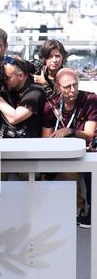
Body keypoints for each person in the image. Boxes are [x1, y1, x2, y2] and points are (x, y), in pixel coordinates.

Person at [42, 67, 97, 228]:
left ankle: (85, 211)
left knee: (84, 170)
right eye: (67, 87)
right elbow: (46, 138)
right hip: (60, 151)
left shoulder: (90, 99)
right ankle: (70, 208)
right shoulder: (50, 105)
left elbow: (89, 135)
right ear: (58, 87)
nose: (73, 90)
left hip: (88, 149)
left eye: (75, 85)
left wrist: (70, 131)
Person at [0, 55, 46, 138]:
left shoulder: (35, 91)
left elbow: (14, 118)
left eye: (7, 77)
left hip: (25, 147)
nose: (4, 80)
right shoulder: (8, 87)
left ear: (20, 76)